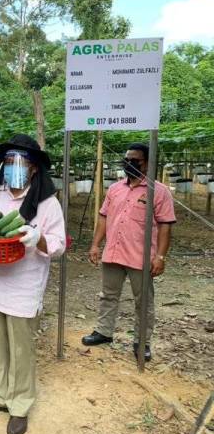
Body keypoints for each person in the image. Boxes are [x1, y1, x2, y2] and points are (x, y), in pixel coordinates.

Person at [0, 135, 65, 434]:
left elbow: (60, 245)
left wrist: (39, 238)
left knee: (22, 350)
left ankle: (19, 405)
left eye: (19, 162)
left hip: (24, 287)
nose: (13, 167)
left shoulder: (47, 202)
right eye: (8, 161)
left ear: (34, 168)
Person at [82, 142, 175, 362]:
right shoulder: (115, 189)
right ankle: (104, 332)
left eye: (136, 160)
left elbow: (165, 225)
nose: (129, 163)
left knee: (143, 301)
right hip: (113, 252)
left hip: (140, 256)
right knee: (108, 295)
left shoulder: (158, 191)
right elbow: (104, 217)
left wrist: (160, 256)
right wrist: (95, 244)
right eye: (127, 159)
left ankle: (141, 341)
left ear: (148, 163)